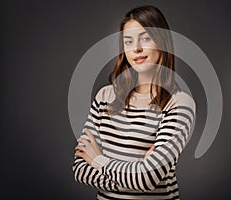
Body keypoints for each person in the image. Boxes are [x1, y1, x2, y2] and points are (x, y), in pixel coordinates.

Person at [72, 5, 196, 200]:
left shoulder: (179, 103)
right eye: (128, 41)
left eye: (145, 38)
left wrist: (97, 160)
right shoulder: (104, 97)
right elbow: (79, 169)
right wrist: (136, 175)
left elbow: (147, 179)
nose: (136, 48)